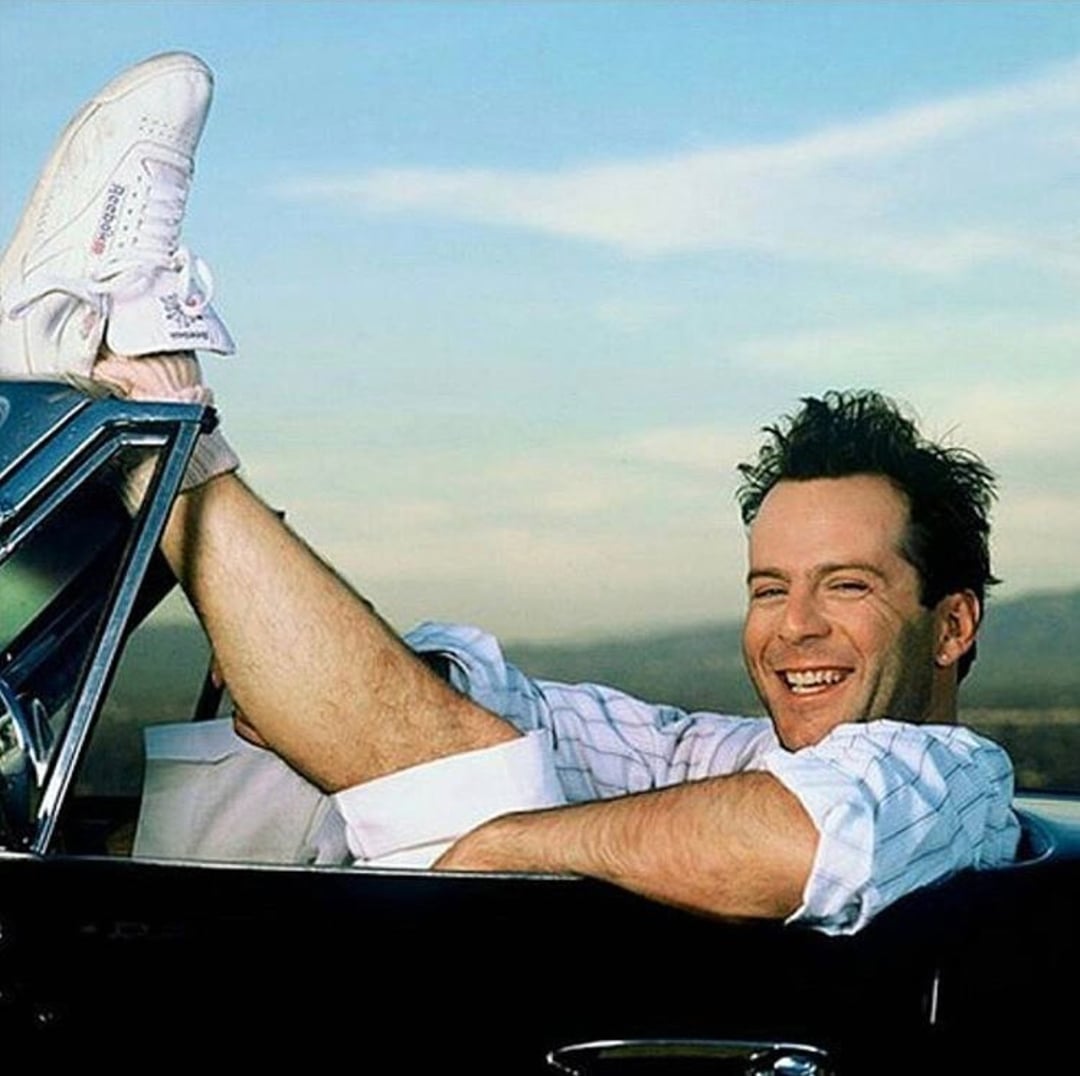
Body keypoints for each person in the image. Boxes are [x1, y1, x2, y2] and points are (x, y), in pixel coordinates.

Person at [0, 52, 1019, 936]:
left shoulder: (956, 778)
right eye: (769, 587)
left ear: (951, 622)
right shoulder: (737, 749)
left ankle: (137, 382)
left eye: (845, 585)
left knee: (472, 784)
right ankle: (138, 394)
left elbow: (798, 841)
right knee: (465, 731)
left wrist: (504, 838)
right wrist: (334, 680)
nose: (793, 627)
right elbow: (545, 714)